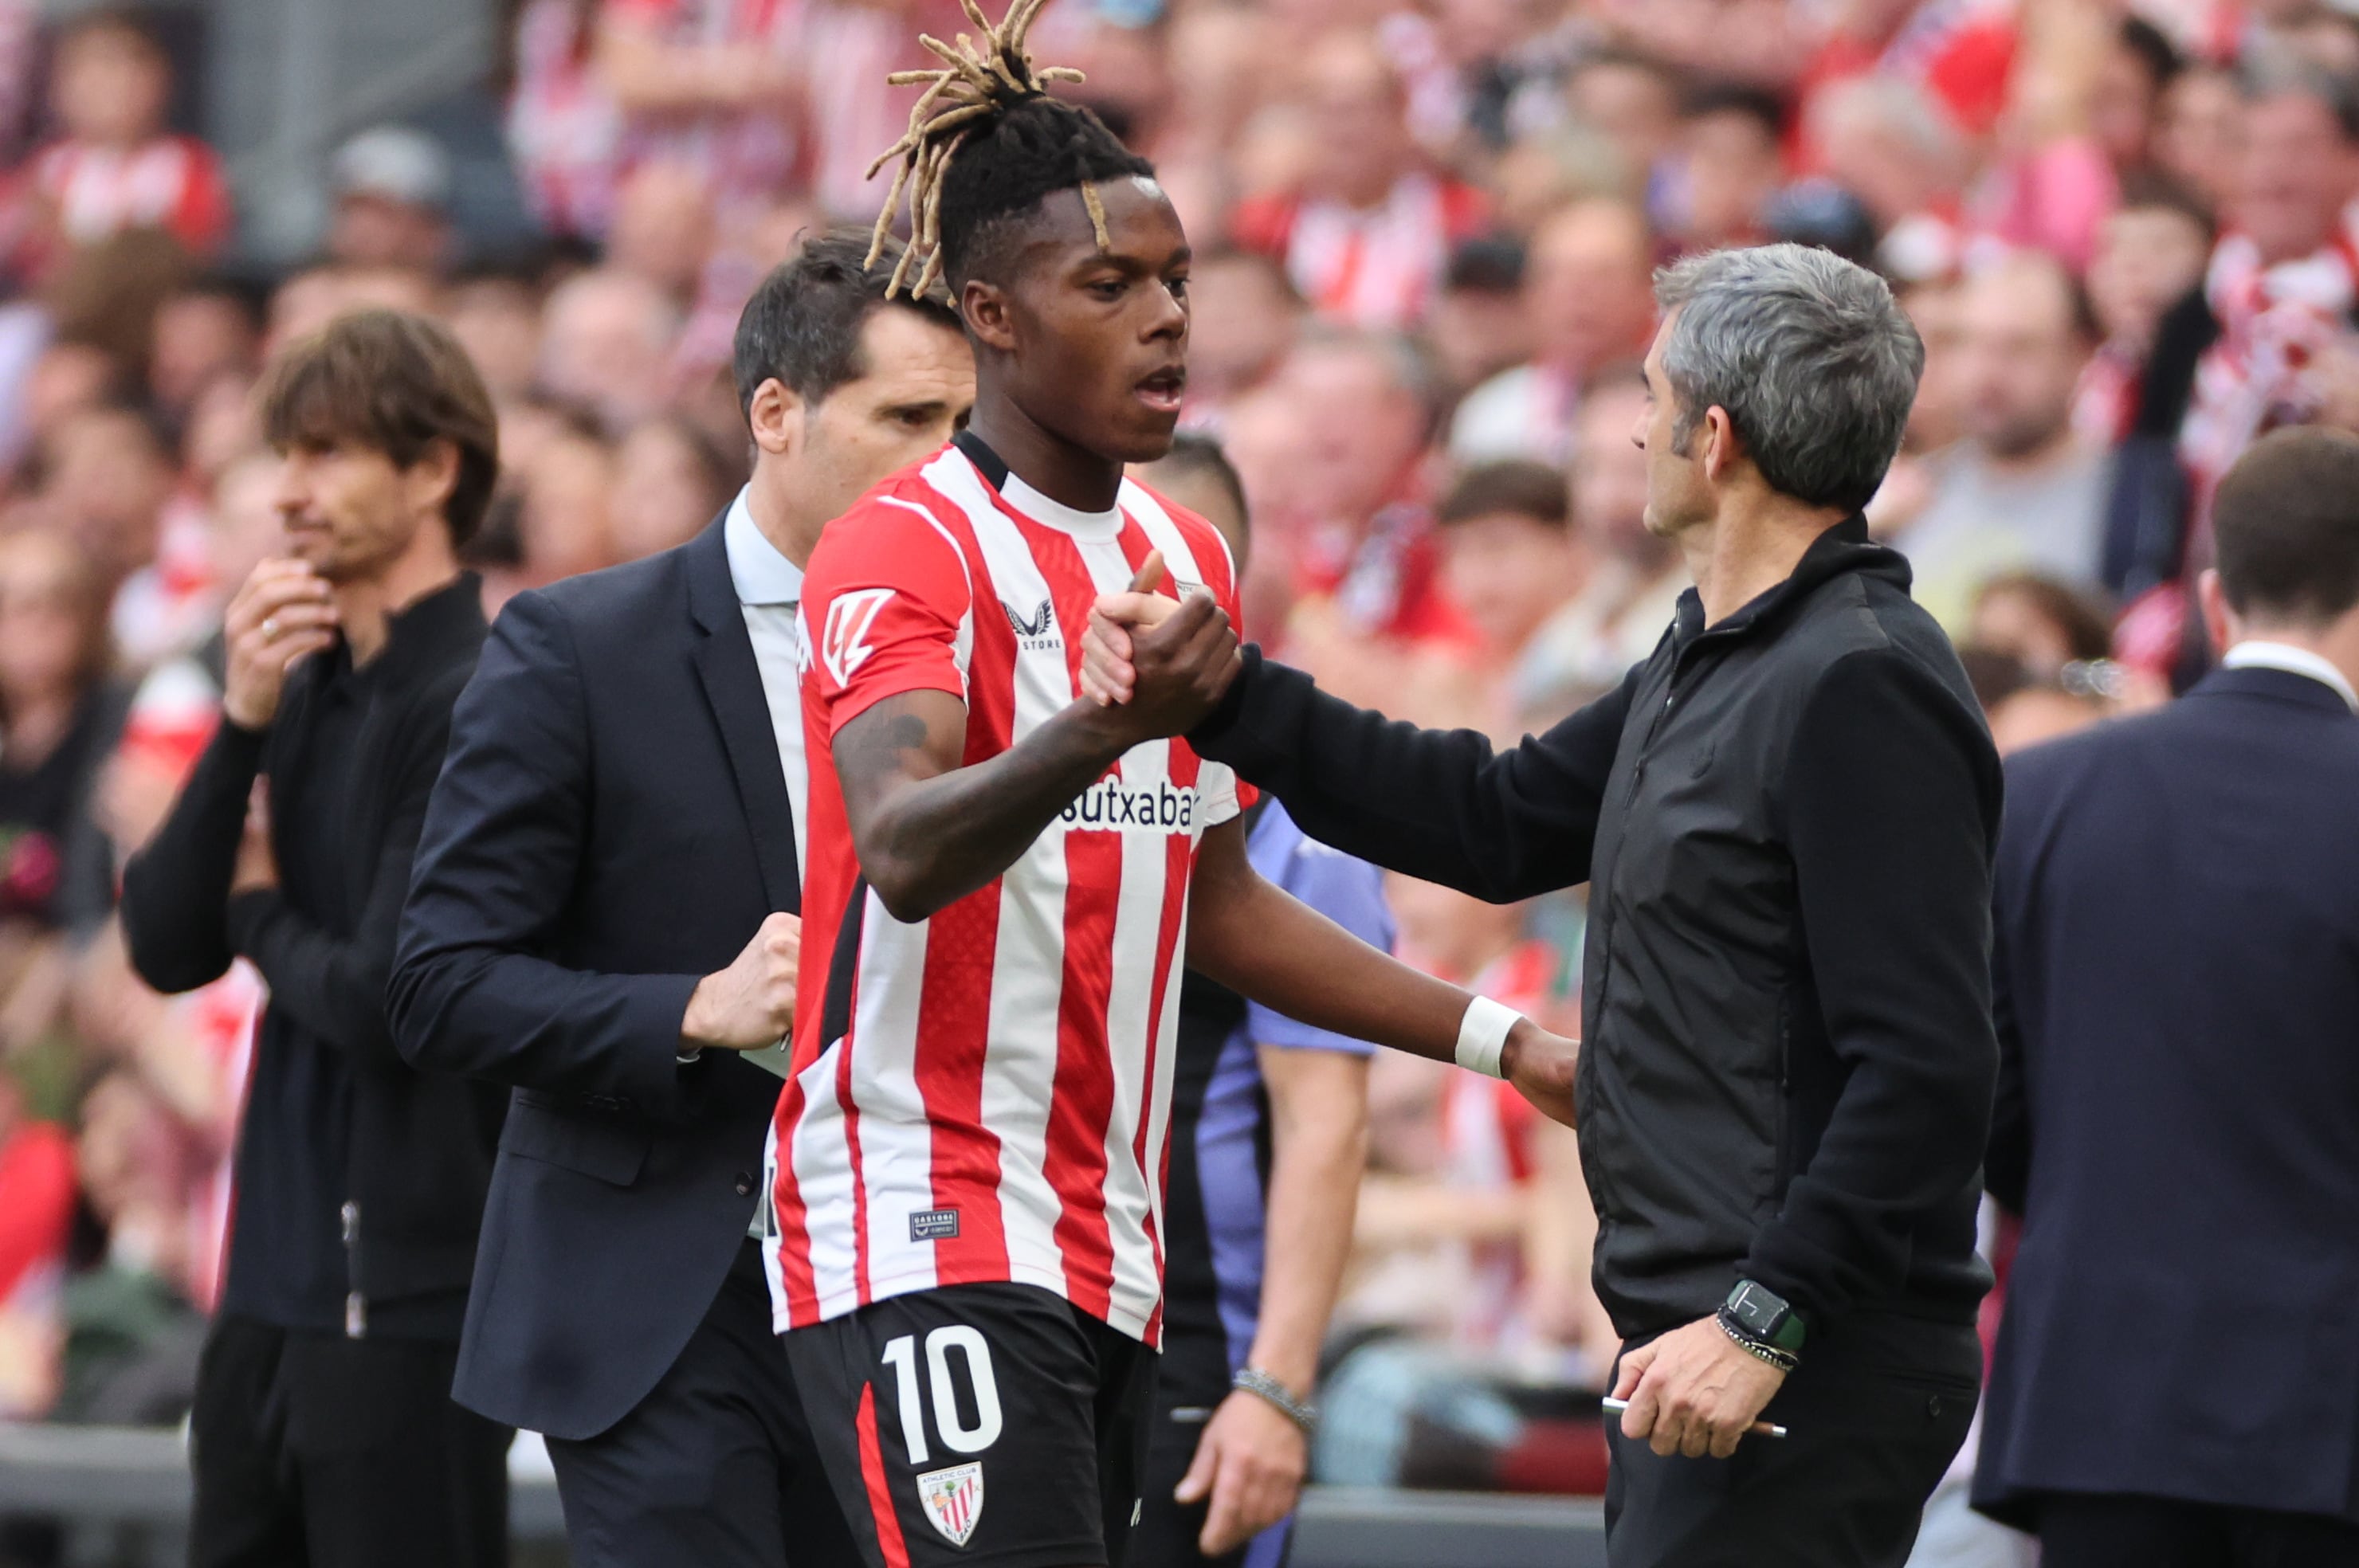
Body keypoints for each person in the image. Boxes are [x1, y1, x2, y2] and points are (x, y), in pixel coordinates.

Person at [767, 17, 1577, 1568]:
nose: (1164, 321)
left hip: (1112, 1244)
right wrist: (1094, 724)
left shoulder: (1179, 556)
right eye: (1110, 286)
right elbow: (903, 848)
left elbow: (1210, 899)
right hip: (921, 1219)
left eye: (1179, 280)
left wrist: (1502, 1042)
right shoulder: (904, 544)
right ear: (992, 318)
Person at [1088, 242, 2001, 1567]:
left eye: (1648, 392)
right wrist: (1231, 698)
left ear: (1717, 438)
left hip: (1793, 1357)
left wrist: (1765, 1316)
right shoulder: (1714, 650)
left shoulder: (1862, 681)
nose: (1631, 426)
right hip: (1700, 1337)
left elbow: (1928, 1060)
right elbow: (1495, 817)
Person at [387, 233, 973, 1568]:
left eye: (962, 422)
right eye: (907, 417)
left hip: (916, 1293)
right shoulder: (580, 645)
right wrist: (689, 1010)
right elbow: (438, 981)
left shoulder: (996, 649)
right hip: (659, 1301)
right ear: (775, 411)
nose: (948, 461)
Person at [116, 309, 510, 1568]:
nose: (287, 493)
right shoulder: (305, 683)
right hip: (268, 1291)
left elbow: (395, 1002)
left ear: (434, 470)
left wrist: (256, 910)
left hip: (406, 1307)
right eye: (284, 456)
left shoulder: (481, 697)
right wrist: (238, 727)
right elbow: (162, 945)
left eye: (326, 453)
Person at [1972, 426, 2359, 1565]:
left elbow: (1983, 1094)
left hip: (2099, 1396)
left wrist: (2106, 1201)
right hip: (2332, 1412)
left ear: (2213, 600)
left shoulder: (2037, 796)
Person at [1128, 436, 1389, 1568]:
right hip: (1046, 1308)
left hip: (1202, 1349)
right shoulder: (1023, 775)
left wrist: (1275, 1389)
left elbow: (1324, 1124)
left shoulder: (1292, 816)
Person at [1900, 251, 2111, 633]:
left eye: (2020, 347)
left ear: (2079, 355)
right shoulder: (1907, 497)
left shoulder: (2125, 499)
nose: (1987, 373)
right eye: (1968, 343)